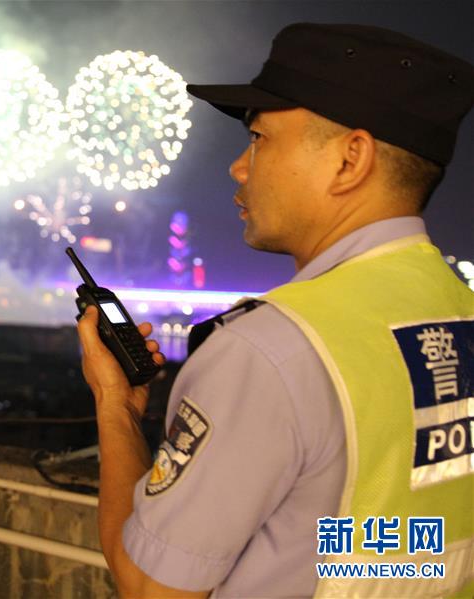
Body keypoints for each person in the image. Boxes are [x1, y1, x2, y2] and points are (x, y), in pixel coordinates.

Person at [76, 22, 474, 598]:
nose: (240, 166)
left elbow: (149, 589)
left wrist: (115, 406)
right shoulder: (458, 310)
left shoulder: (269, 352)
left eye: (260, 138)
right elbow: (403, 540)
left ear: (350, 159)